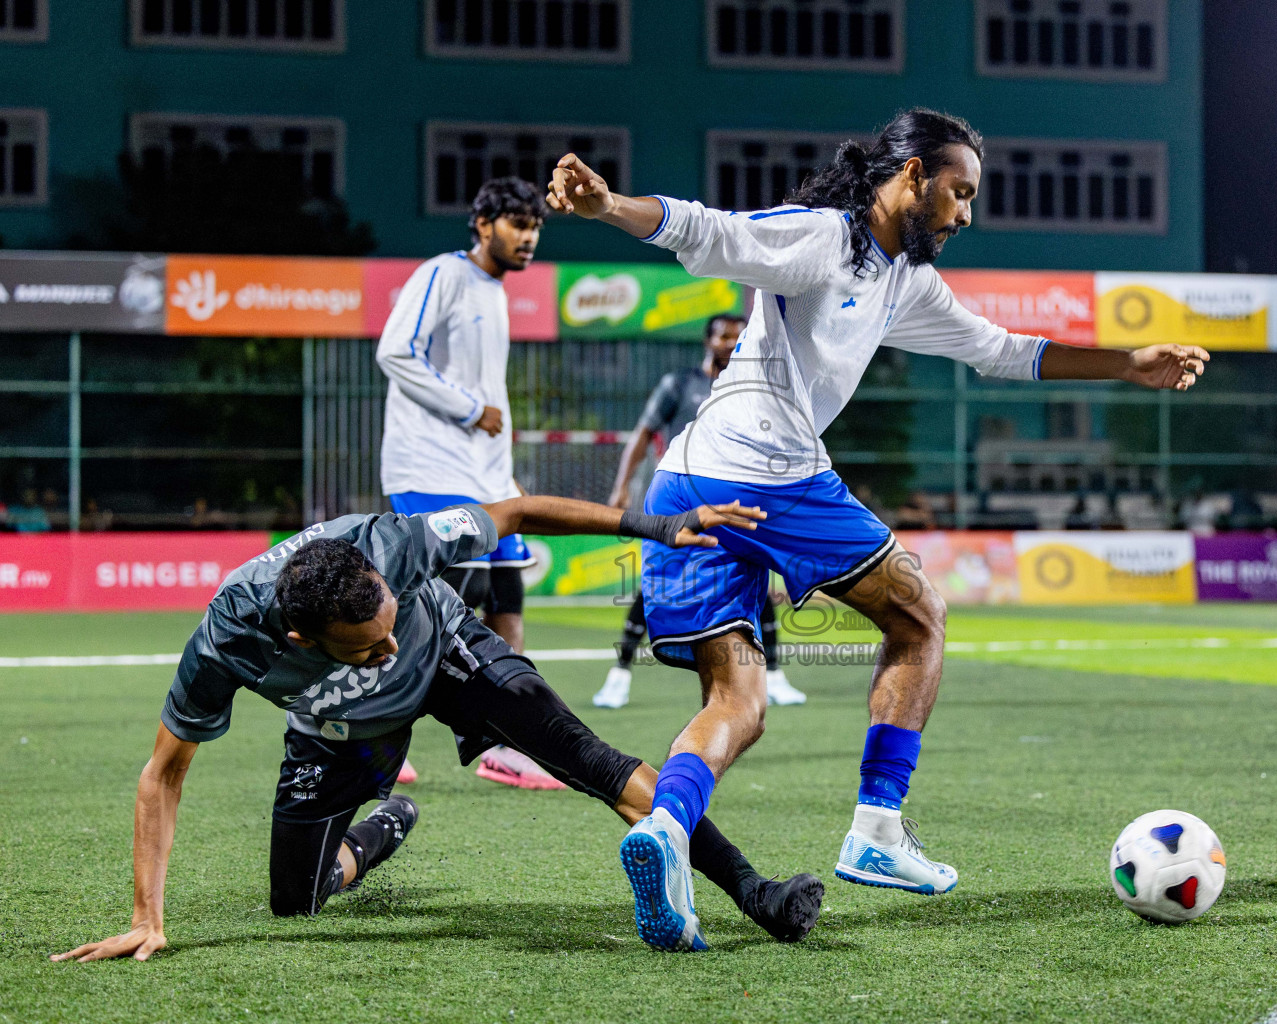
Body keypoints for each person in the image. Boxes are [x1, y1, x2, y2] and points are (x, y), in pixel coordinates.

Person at [547, 107, 1210, 951]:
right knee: (920, 615)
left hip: (688, 483)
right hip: (768, 474)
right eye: (958, 193)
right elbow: (709, 233)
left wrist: (1126, 362)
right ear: (911, 178)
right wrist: (608, 206)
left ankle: (665, 832)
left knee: (738, 700)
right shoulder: (825, 237)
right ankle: (877, 829)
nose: (966, 214)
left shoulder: (904, 279)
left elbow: (999, 349)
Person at [50, 494, 823, 964]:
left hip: (451, 651)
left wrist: (659, 525)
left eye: (388, 621)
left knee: (587, 757)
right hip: (341, 727)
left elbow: (515, 510)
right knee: (298, 901)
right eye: (368, 645)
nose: (385, 648)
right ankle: (383, 827)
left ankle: (754, 890)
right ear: (301, 641)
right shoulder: (227, 642)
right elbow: (163, 773)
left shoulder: (395, 542)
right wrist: (145, 920)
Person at [375, 176, 556, 790]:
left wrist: (500, 465)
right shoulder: (443, 275)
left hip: (484, 477)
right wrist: (465, 407)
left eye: (534, 227)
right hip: (429, 469)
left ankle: (507, 744)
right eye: (516, 225)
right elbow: (395, 352)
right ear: (483, 225)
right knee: (425, 610)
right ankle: (367, 729)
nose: (528, 238)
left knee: (507, 598)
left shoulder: (495, 290)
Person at [593, 314, 806, 709]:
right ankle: (619, 676)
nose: (731, 342)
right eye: (724, 335)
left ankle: (774, 675)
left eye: (738, 335)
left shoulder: (752, 388)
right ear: (708, 341)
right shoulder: (680, 384)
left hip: (735, 500)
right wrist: (621, 486)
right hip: (679, 501)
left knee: (755, 578)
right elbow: (643, 433)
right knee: (654, 584)